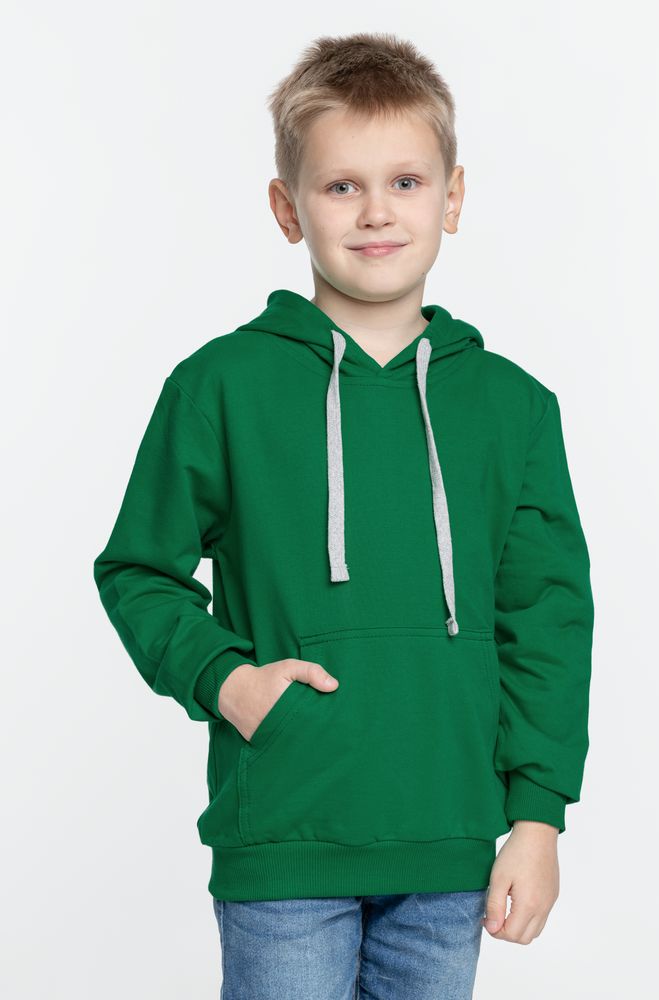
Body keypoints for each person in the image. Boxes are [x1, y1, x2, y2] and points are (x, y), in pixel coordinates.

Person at [93, 30, 595, 1000]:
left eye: (406, 182)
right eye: (340, 186)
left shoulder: (513, 406)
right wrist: (225, 679)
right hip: (285, 836)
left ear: (452, 197)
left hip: (450, 843)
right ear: (288, 208)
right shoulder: (221, 386)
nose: (376, 211)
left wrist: (537, 818)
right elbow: (139, 569)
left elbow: (546, 621)